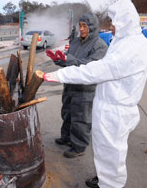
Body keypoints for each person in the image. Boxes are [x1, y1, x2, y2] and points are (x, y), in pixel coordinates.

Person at [43, 0, 147, 188]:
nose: (110, 26)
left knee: (112, 154)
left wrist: (59, 74)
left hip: (115, 110)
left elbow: (96, 69)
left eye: (113, 21)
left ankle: (110, 184)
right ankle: (103, 178)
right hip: (107, 103)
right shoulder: (123, 41)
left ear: (124, 21)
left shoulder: (132, 47)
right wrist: (63, 61)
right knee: (103, 151)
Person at [45, 12, 108, 158]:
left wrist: (69, 59)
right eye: (80, 25)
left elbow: (91, 66)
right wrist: (59, 59)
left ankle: (79, 146)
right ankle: (66, 137)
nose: (81, 29)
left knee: (80, 118)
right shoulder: (75, 42)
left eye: (84, 26)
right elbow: (70, 60)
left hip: (85, 88)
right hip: (70, 84)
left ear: (92, 27)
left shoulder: (100, 46)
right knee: (67, 113)